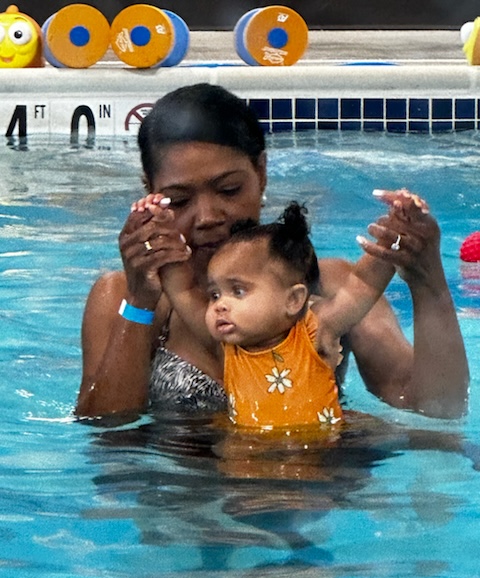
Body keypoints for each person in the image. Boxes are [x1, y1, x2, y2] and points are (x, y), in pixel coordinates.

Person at [75, 83, 469, 420]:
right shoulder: (124, 297)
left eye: (229, 190)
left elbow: (436, 408)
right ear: (150, 191)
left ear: (261, 173)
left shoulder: (327, 286)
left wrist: (428, 280)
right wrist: (141, 300)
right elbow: (107, 430)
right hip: (177, 480)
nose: (208, 217)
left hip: (318, 477)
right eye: (179, 200)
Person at [154, 200, 401, 430]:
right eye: (215, 294)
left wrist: (395, 237)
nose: (220, 305)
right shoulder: (228, 348)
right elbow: (183, 290)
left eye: (238, 291)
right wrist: (160, 230)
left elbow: (363, 284)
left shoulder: (314, 332)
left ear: (293, 300)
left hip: (318, 453)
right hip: (247, 454)